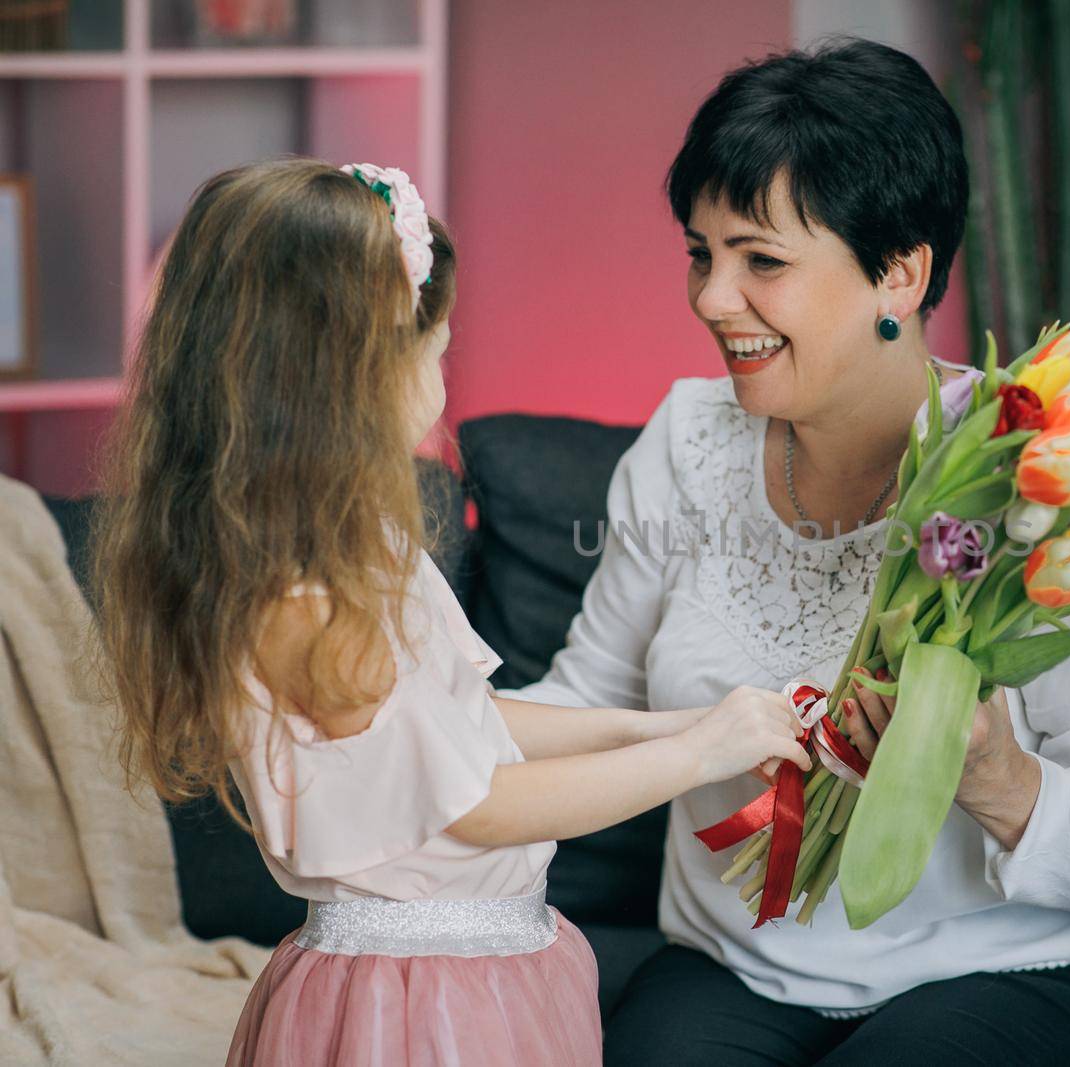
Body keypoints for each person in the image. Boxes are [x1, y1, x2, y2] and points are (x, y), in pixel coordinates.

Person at [513, 39, 1070, 1067]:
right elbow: (589, 692)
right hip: (737, 963)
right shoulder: (685, 438)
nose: (711, 298)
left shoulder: (1047, 475)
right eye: (701, 253)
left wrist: (998, 776)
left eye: (762, 260)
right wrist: (408, 731)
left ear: (899, 270)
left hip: (1018, 971)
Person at [92, 157, 809, 1067]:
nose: (441, 380)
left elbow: (456, 728)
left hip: (475, 964)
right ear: (350, 375)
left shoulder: (346, 553)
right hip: (422, 1002)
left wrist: (649, 725)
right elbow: (476, 800)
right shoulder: (308, 598)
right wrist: (694, 755)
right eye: (435, 351)